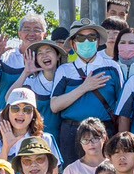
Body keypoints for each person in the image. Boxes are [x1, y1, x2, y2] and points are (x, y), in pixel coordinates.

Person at [49, 21, 121, 159]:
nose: (86, 42)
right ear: (73, 44)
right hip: (71, 132)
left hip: (104, 131)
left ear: (98, 41)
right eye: (81, 38)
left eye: (91, 37)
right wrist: (84, 87)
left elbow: (121, 106)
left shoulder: (112, 67)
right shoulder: (64, 70)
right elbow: (54, 105)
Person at [0, 15, 50, 108]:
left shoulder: (50, 59)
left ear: (45, 35)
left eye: (37, 30)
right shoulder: (7, 57)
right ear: (20, 34)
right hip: (6, 119)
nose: (31, 33)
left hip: (40, 119)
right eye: (26, 29)